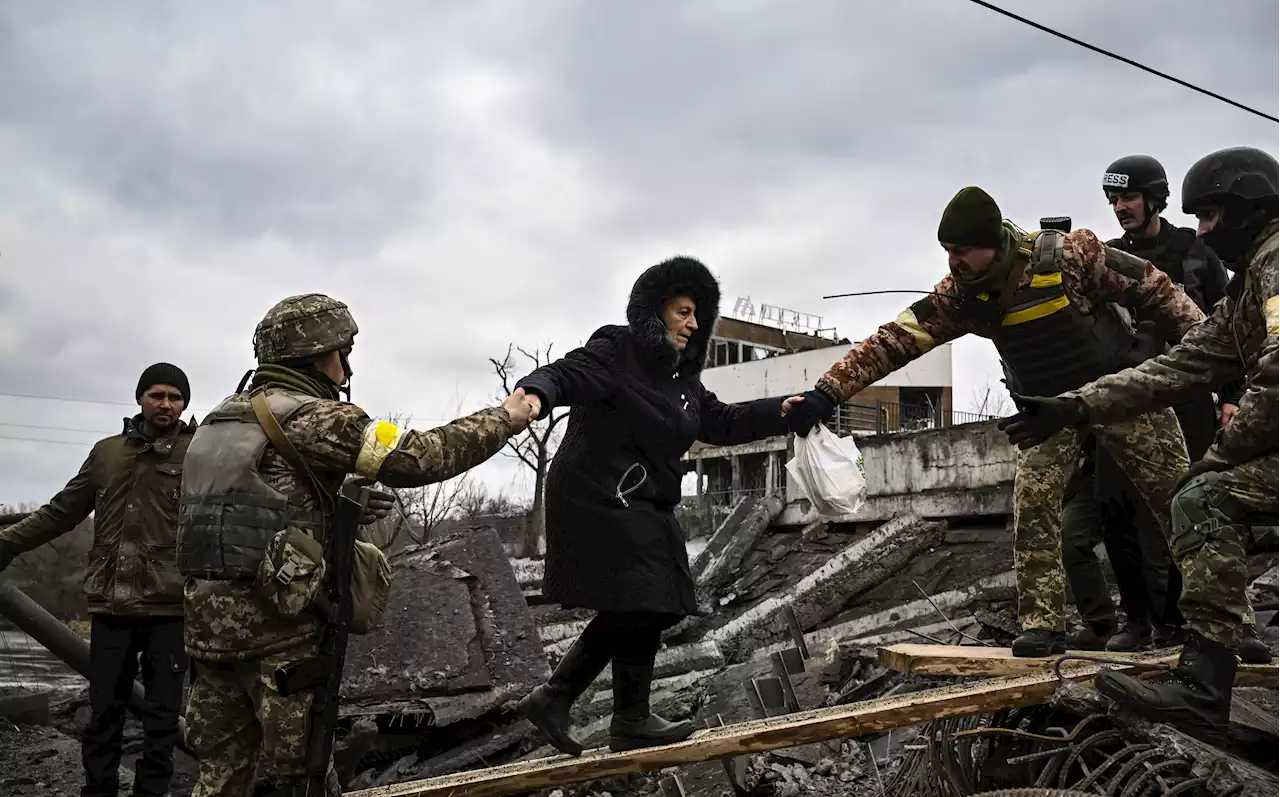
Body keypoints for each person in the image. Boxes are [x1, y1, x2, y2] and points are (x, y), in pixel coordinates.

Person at [785, 186, 1204, 657]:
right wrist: (826, 393)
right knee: (1033, 506)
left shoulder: (1068, 255)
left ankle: (1224, 620)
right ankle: (1043, 625)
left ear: (991, 243)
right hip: (1048, 414)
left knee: (1183, 501)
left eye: (961, 251)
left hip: (1120, 395)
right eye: (947, 252)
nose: (953, 262)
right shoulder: (960, 298)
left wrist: (1208, 359)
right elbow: (893, 341)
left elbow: (1156, 288)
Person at [178, 294, 534, 796]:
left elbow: (245, 510)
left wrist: (334, 505)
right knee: (300, 778)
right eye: (343, 351)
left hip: (208, 636)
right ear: (321, 353)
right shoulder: (316, 419)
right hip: (282, 639)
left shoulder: (219, 421)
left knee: (220, 776)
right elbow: (419, 456)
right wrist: (504, 416)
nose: (346, 364)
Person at [999, 146, 1280, 741]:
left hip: (1248, 428)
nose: (1202, 231)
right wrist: (1077, 406)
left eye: (1210, 217)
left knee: (1202, 497)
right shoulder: (1251, 277)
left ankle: (1205, 684)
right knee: (1171, 502)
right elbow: (1183, 363)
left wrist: (1225, 452)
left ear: (1248, 207)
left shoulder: (1274, 260)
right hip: (1184, 416)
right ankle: (1191, 654)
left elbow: (1277, 369)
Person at [513, 256, 803, 755]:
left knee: (648, 600)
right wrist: (535, 395)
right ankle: (605, 711)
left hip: (640, 501)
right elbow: (566, 373)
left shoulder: (681, 381)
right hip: (595, 495)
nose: (692, 325)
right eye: (683, 312)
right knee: (643, 594)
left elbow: (721, 422)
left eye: (698, 317)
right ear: (655, 310)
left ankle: (597, 710)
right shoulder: (617, 349)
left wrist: (781, 411)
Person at [0, 364, 196, 797]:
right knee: (104, 711)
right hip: (111, 606)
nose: (165, 404)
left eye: (175, 397)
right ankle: (99, 790)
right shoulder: (106, 453)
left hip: (171, 608)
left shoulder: (198, 455)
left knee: (162, 718)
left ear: (184, 404)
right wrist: (7, 544)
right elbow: (60, 512)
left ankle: (151, 793)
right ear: (140, 398)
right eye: (157, 394)